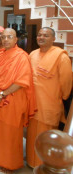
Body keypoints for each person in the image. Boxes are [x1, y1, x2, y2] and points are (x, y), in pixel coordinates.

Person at [0, 28, 37, 171]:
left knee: (10, 132)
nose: (6, 40)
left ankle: (10, 163)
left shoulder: (22, 56)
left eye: (10, 37)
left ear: (16, 40)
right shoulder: (2, 55)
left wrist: (2, 94)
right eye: (4, 37)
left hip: (13, 99)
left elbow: (22, 81)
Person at [26, 27, 72, 168]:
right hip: (32, 104)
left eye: (46, 35)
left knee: (46, 137)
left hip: (49, 105)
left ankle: (42, 164)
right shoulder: (32, 54)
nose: (41, 37)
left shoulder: (61, 56)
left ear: (53, 39)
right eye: (39, 35)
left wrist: (62, 97)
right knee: (31, 134)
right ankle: (30, 160)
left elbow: (66, 84)